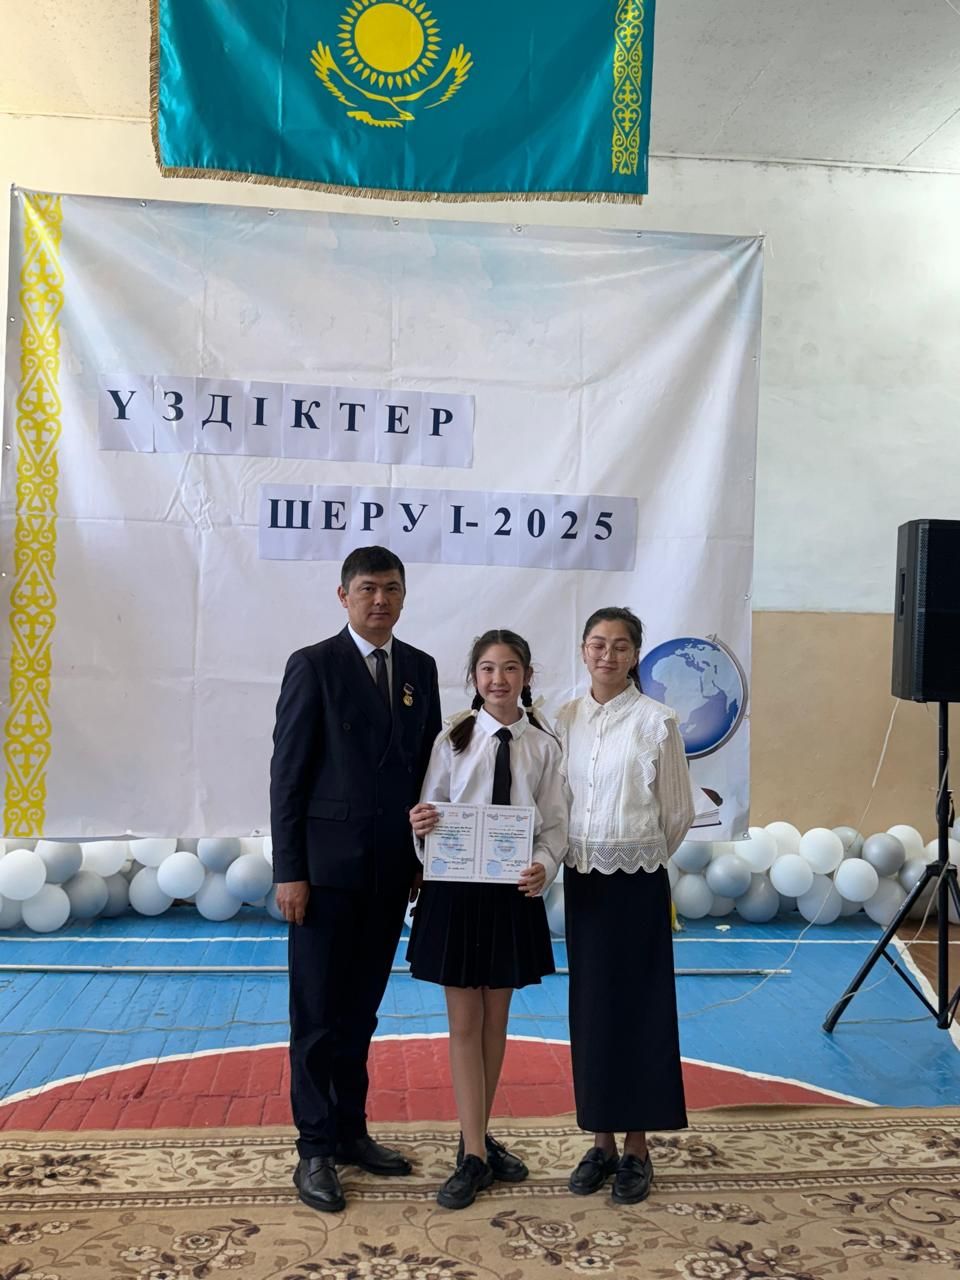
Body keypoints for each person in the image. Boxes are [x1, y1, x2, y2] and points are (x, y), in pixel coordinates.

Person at [270, 546, 442, 1214]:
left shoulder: (420, 669)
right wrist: (291, 871)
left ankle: (350, 1132)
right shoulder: (313, 665)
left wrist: (427, 859)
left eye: (391, 588)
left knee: (360, 1013)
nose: (380, 600)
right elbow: (288, 777)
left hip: (391, 871)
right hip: (325, 875)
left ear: (404, 596)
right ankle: (314, 1149)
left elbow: (431, 774)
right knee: (316, 1015)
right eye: (368, 588)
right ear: (343, 596)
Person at [407, 629, 568, 1210]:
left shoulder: (544, 746)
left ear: (527, 675)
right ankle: (474, 1153)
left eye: (510, 668)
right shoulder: (452, 739)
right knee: (464, 1023)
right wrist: (421, 825)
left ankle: (474, 1137)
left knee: (496, 1019)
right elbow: (429, 807)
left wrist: (545, 864)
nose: (498, 679)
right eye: (487, 669)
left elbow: (555, 824)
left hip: (509, 895)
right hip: (455, 892)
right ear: (474, 677)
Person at [556, 606, 694, 1206]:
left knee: (640, 1009)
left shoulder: (657, 722)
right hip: (583, 880)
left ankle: (638, 1146)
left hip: (636, 882)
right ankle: (601, 1141)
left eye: (619, 646)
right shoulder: (564, 718)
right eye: (597, 644)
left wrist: (635, 853)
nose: (606, 655)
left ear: (635, 654)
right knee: (591, 1009)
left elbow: (677, 812)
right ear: (583, 650)